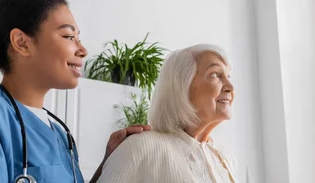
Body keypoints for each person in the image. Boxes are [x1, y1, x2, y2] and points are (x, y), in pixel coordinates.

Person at [0, 0, 150, 183]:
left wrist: (109, 162)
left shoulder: (59, 134)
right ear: (22, 42)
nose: (83, 50)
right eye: (68, 36)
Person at [97, 44, 237, 183]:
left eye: (228, 76)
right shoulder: (138, 147)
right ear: (182, 85)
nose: (230, 87)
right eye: (215, 75)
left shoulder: (223, 157)